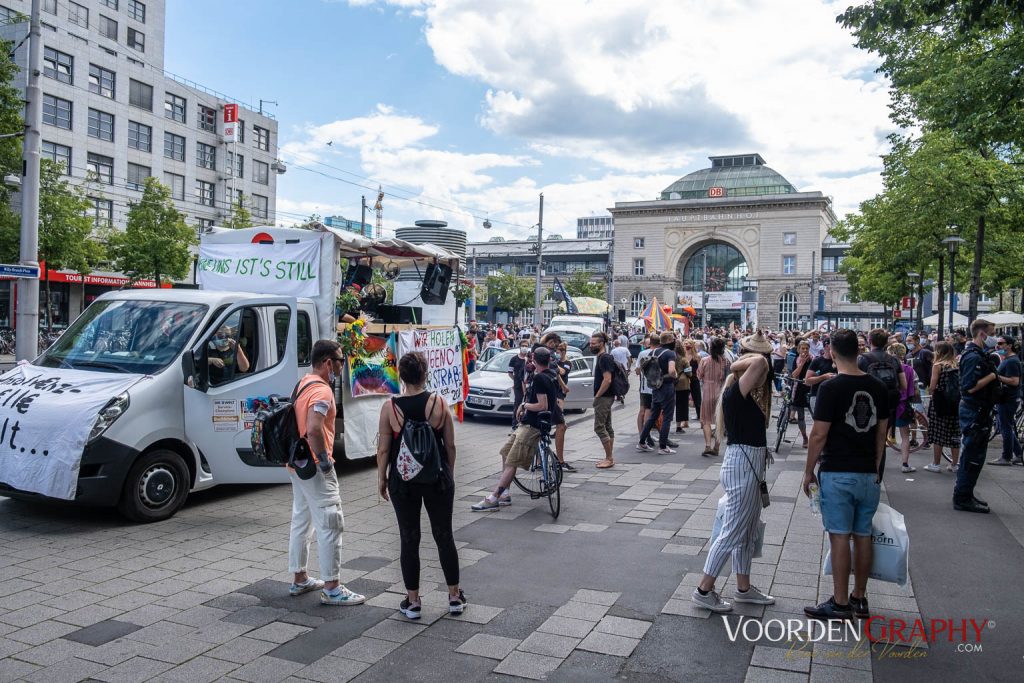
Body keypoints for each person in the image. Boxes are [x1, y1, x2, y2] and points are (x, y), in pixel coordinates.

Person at [802, 329, 887, 621]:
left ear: (833, 353)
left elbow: (818, 434)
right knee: (863, 535)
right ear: (858, 352)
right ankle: (859, 598)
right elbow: (881, 432)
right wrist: (876, 467)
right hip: (868, 473)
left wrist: (808, 471)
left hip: (838, 471)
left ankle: (839, 603)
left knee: (840, 537)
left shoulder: (832, 388)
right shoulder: (878, 387)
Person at [376, 353, 465, 618]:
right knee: (444, 536)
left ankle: (413, 602)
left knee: (409, 538)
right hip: (437, 480)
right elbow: (450, 445)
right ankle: (454, 597)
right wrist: (448, 474)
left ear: (400, 376)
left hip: (403, 482)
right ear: (426, 373)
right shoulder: (440, 403)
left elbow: (383, 449)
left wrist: (382, 478)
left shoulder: (389, 407)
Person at [692, 331, 775, 613]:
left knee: (746, 531)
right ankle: (704, 589)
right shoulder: (736, 392)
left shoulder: (741, 393)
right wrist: (749, 356)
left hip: (748, 464)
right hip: (743, 466)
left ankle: (743, 588)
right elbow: (761, 366)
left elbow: (760, 367)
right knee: (731, 532)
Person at [288, 340, 366, 606]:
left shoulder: (303, 383)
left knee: (302, 519)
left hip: (296, 464)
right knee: (331, 521)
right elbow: (313, 429)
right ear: (327, 362)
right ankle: (332, 587)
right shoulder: (322, 392)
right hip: (314, 466)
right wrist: (324, 462)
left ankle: (300, 578)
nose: (341, 367)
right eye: (340, 361)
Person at [472, 347, 559, 510]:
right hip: (527, 423)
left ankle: (493, 498)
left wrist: (525, 405)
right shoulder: (551, 374)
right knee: (505, 453)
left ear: (533, 359)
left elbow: (543, 405)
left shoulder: (541, 378)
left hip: (533, 426)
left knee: (512, 462)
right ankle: (505, 493)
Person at [953, 319, 1000, 513]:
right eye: (992, 333)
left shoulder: (978, 354)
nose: (994, 338)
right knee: (972, 456)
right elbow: (969, 387)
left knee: (975, 456)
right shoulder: (973, 356)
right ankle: (962, 497)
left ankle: (967, 494)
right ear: (982, 334)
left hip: (979, 410)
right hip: (975, 411)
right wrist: (992, 376)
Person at [857, 328, 906, 477]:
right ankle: (878, 475)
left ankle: (864, 474)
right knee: (881, 439)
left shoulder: (863, 359)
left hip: (867, 406)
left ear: (869, 341)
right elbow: (903, 385)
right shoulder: (894, 360)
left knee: (865, 439)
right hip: (889, 405)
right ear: (886, 343)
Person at [638, 331, 679, 455]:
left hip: (655, 387)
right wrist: (675, 375)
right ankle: (663, 446)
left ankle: (641, 442)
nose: (674, 341)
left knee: (653, 415)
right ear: (668, 341)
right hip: (667, 386)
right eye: (673, 339)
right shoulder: (670, 354)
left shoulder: (653, 352)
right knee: (667, 416)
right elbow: (672, 370)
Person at [925, 341, 961, 473]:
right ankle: (954, 464)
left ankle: (936, 463)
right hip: (955, 403)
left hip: (940, 403)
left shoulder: (938, 365)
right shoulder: (957, 365)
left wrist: (931, 391)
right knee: (955, 433)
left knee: (938, 432)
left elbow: (933, 386)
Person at [991, 335, 1023, 466]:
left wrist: (996, 377)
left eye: (1001, 343)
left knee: (1005, 427)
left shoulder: (1011, 361)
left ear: (1009, 345)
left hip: (1008, 398)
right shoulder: (1009, 360)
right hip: (1006, 398)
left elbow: (1015, 381)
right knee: (1006, 426)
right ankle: (1019, 454)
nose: (998, 346)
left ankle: (1006, 456)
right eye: (997, 343)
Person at [697, 337, 730, 456]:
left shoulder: (704, 360)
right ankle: (717, 447)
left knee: (706, 420)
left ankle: (707, 446)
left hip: (707, 391)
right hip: (720, 391)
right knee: (719, 421)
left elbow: (699, 375)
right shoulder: (725, 361)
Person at [889, 343, 918, 473]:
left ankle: (876, 463)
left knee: (880, 434)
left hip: (887, 405)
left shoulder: (885, 367)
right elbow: (912, 390)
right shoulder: (908, 369)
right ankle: (905, 464)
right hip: (902, 405)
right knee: (905, 436)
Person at [591, 332, 618, 469]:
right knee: (607, 427)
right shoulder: (603, 357)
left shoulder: (604, 358)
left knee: (599, 427)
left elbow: (607, 379)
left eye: (594, 343)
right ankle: (609, 457)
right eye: (591, 343)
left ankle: (609, 458)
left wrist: (597, 396)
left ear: (601, 343)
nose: (591, 345)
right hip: (607, 396)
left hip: (604, 397)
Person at [553, 342, 576, 472]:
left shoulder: (567, 363)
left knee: (561, 421)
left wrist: (552, 362)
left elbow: (561, 372)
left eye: (560, 350)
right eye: (556, 350)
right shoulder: (554, 361)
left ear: (564, 351)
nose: (558, 352)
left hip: (560, 393)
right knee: (561, 423)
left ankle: (557, 429)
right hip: (555, 391)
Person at [790, 340, 813, 449]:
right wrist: (802, 363)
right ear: (798, 349)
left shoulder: (813, 359)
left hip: (810, 388)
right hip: (798, 388)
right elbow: (794, 375)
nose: (804, 351)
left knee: (815, 414)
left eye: (806, 348)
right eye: (802, 348)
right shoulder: (796, 359)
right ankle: (805, 437)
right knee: (800, 416)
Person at [804, 339, 836, 415]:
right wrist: (823, 377)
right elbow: (807, 380)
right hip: (817, 396)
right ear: (827, 346)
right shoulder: (817, 361)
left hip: (834, 397)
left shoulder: (839, 361)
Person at [635, 335, 656, 450]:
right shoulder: (659, 352)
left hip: (644, 386)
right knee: (648, 411)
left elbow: (637, 371)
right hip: (653, 387)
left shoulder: (642, 354)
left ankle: (641, 434)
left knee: (642, 410)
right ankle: (645, 436)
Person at [508, 341, 529, 430]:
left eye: (526, 346)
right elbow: (510, 373)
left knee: (527, 405)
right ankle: (514, 425)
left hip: (527, 385)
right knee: (518, 404)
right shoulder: (514, 359)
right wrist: (515, 380)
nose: (524, 347)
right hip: (517, 386)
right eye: (523, 346)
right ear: (520, 347)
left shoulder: (529, 359)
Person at [674, 339, 694, 433]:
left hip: (673, 384)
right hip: (683, 385)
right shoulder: (683, 360)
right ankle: (679, 426)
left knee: (676, 405)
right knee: (683, 405)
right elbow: (689, 373)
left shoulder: (671, 358)